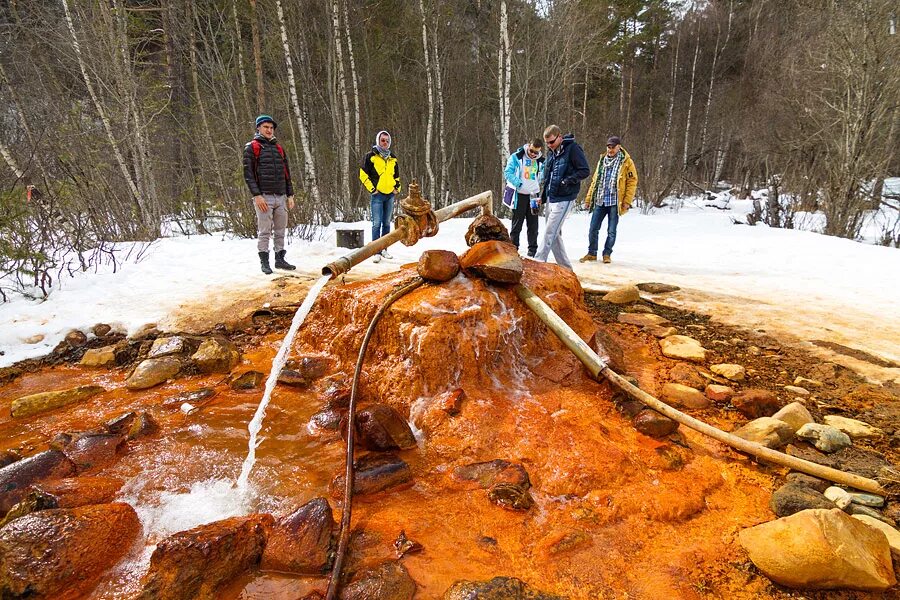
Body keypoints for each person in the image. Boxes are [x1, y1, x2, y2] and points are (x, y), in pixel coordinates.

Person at [243, 114, 296, 274]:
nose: (269, 130)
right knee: (265, 230)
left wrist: (290, 194)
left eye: (271, 128)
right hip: (263, 196)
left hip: (280, 196)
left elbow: (286, 173)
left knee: (280, 230)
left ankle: (280, 259)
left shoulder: (278, 148)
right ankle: (264, 262)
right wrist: (257, 195)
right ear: (258, 128)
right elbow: (248, 174)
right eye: (266, 127)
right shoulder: (252, 147)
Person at [534, 125, 590, 270]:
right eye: (547, 143)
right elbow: (548, 177)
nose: (549, 145)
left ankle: (538, 263)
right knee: (554, 236)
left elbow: (584, 170)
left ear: (559, 137)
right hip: (551, 197)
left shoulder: (572, 149)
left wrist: (568, 181)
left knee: (549, 232)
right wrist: (543, 197)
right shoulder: (552, 153)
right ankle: (566, 269)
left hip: (565, 197)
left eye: (551, 142)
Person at [580, 135, 638, 264]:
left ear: (619, 147)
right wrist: (589, 198)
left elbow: (632, 181)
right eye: (609, 147)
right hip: (600, 199)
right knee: (593, 228)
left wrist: (627, 201)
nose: (610, 150)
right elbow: (595, 181)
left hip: (615, 201)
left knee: (611, 230)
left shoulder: (627, 162)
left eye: (613, 147)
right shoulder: (602, 160)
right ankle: (592, 253)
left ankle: (607, 254)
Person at [359, 130, 401, 263]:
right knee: (376, 224)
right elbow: (362, 174)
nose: (385, 143)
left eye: (387, 141)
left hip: (390, 195)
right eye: (383, 140)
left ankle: (384, 249)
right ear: (378, 141)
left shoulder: (392, 157)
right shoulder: (370, 156)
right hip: (377, 195)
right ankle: (375, 251)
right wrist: (372, 189)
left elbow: (397, 176)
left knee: (387, 224)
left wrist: (397, 188)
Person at [503, 139, 545, 257]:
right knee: (517, 223)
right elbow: (508, 173)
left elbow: (545, 174)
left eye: (536, 153)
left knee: (533, 225)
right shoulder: (517, 157)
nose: (533, 154)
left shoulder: (541, 161)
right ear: (528, 147)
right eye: (531, 151)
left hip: (534, 196)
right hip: (519, 195)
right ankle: (513, 249)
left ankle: (532, 250)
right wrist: (518, 183)